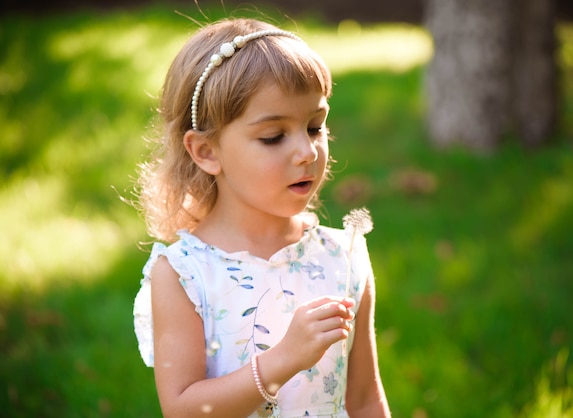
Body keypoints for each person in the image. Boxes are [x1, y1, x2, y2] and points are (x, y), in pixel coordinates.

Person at [132, 17, 391, 418]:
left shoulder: (344, 255)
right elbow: (183, 410)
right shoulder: (184, 274)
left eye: (314, 126)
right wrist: (282, 359)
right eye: (273, 137)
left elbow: (363, 399)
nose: (307, 152)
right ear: (206, 152)